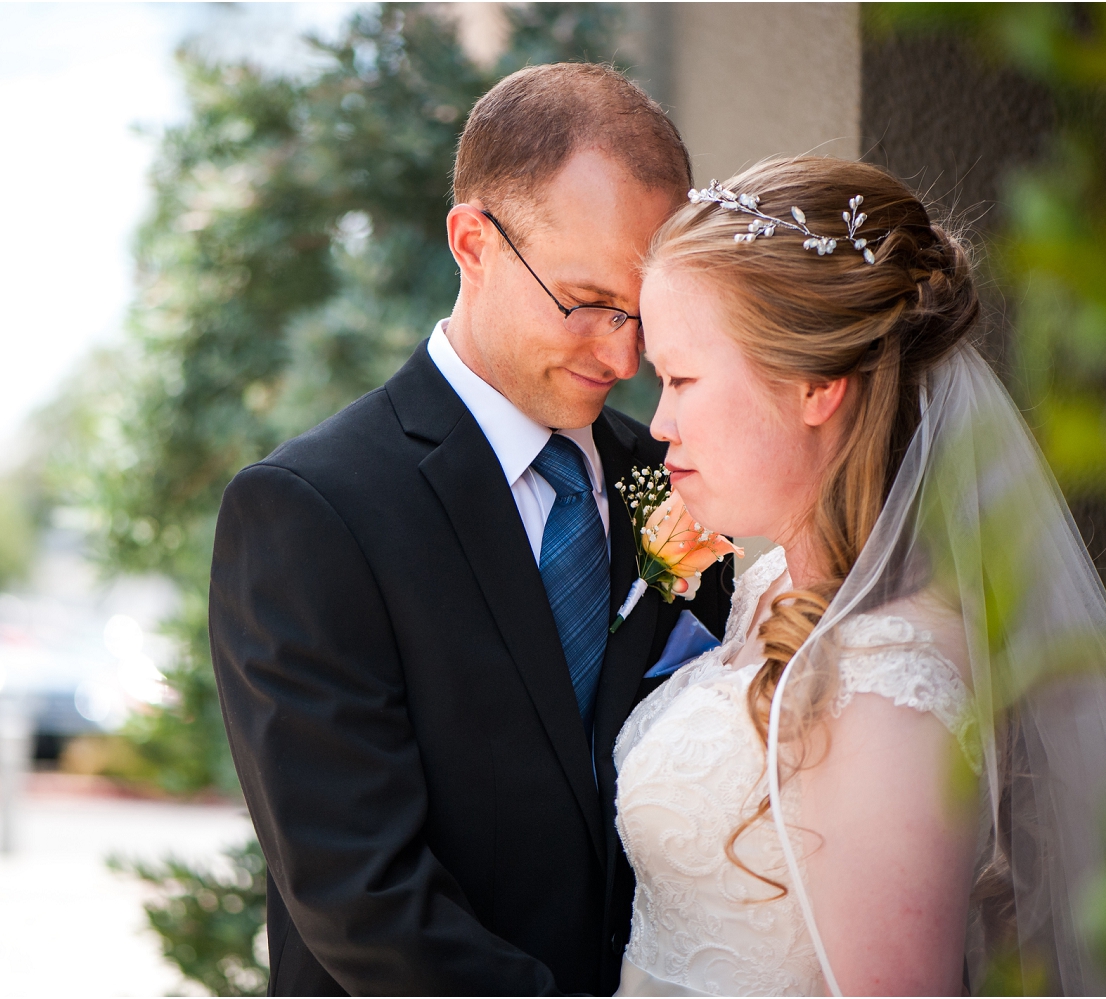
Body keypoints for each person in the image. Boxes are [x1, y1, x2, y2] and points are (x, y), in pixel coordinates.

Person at [209, 63, 733, 995]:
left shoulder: (673, 481)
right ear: (473, 242)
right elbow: (360, 895)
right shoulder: (308, 511)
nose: (622, 356)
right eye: (584, 302)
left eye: (642, 313)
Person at [615, 156, 1106, 996]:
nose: (660, 425)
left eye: (683, 379)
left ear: (816, 386)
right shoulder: (775, 586)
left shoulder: (887, 687)